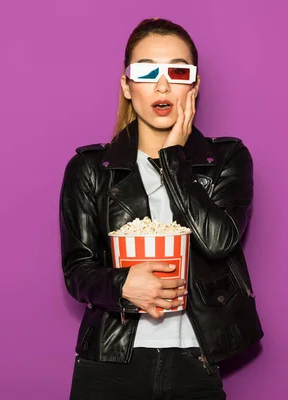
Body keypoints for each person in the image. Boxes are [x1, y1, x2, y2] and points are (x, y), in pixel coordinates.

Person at [59, 18, 264, 400]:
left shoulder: (227, 159)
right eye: (147, 71)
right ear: (126, 85)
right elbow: (77, 271)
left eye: (177, 70)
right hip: (108, 363)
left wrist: (173, 157)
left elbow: (219, 242)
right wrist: (124, 286)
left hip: (195, 362)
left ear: (195, 84)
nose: (163, 84)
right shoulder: (89, 169)